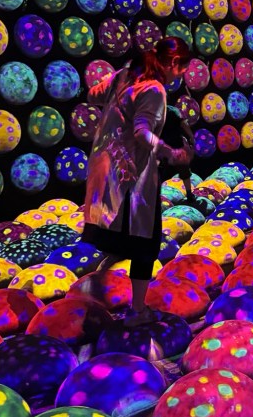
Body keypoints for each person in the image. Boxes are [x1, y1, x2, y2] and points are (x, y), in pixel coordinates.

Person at [82, 37, 193, 324]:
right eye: (182, 68)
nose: (181, 75)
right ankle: (138, 311)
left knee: (114, 238)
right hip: (131, 177)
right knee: (145, 244)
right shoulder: (154, 89)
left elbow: (92, 95)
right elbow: (142, 133)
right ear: (173, 63)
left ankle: (95, 295)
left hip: (104, 168)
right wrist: (170, 152)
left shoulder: (125, 75)